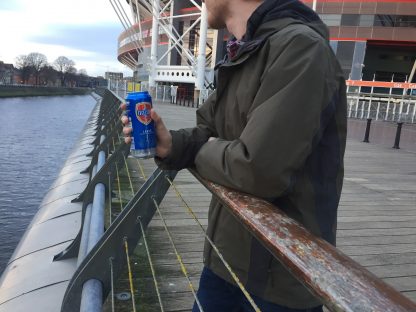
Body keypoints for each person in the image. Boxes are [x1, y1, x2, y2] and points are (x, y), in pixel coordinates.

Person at [123, 0, 347, 310]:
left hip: (281, 278)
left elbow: (257, 168)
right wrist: (168, 143)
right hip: (224, 260)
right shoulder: (246, 51)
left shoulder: (300, 48)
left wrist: (202, 149)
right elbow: (207, 130)